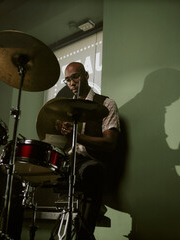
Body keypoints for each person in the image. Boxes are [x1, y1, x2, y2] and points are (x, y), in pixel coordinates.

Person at [56, 62, 120, 239]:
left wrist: (78, 136)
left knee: (93, 171)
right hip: (68, 161)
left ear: (86, 75)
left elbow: (110, 143)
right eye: (67, 80)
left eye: (75, 77)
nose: (71, 83)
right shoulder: (65, 108)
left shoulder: (106, 104)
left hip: (90, 161)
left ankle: (84, 235)